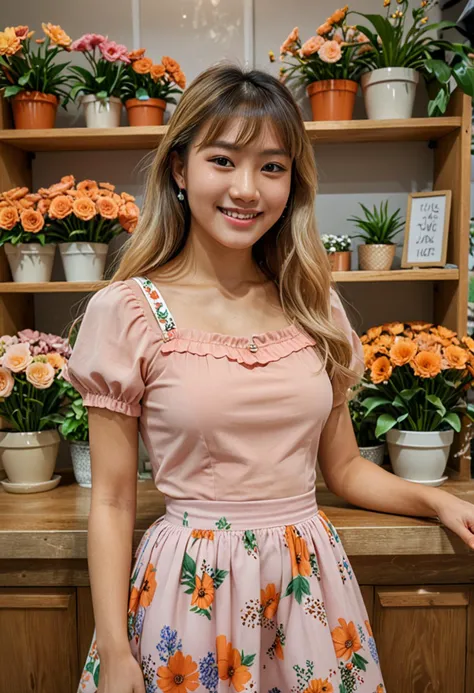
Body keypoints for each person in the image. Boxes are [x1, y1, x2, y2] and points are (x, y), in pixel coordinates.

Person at [65, 63, 474, 693]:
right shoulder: (128, 312)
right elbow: (114, 500)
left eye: (273, 167)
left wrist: (441, 501)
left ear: (293, 183)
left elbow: (343, 470)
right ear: (180, 169)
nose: (247, 189)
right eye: (223, 160)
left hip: (307, 588)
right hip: (189, 592)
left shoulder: (313, 304)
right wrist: (115, 649)